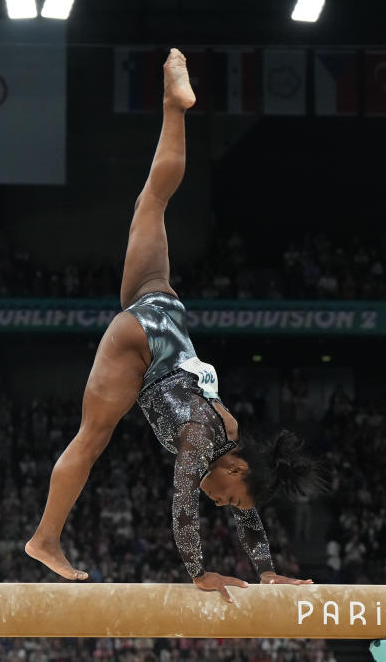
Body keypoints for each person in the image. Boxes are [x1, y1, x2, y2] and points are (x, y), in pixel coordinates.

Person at [25, 49, 326, 601]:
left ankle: (173, 104)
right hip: (141, 345)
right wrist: (199, 572)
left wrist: (265, 570)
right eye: (232, 496)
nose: (225, 504)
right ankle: (44, 539)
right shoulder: (202, 439)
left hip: (161, 308)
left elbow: (248, 512)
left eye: (233, 504)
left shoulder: (231, 437)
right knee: (91, 439)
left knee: (154, 200)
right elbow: (184, 502)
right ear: (235, 466)